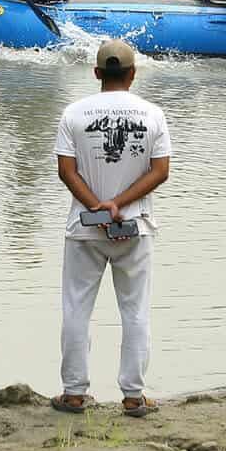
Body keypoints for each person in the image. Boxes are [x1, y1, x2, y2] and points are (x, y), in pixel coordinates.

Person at [51, 39, 171, 419]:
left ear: (97, 73)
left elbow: (66, 171)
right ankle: (134, 396)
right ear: (133, 74)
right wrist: (119, 205)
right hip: (135, 227)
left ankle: (73, 393)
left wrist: (98, 207)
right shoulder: (152, 114)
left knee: (76, 309)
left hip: (85, 228)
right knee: (135, 311)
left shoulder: (74, 113)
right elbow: (160, 171)